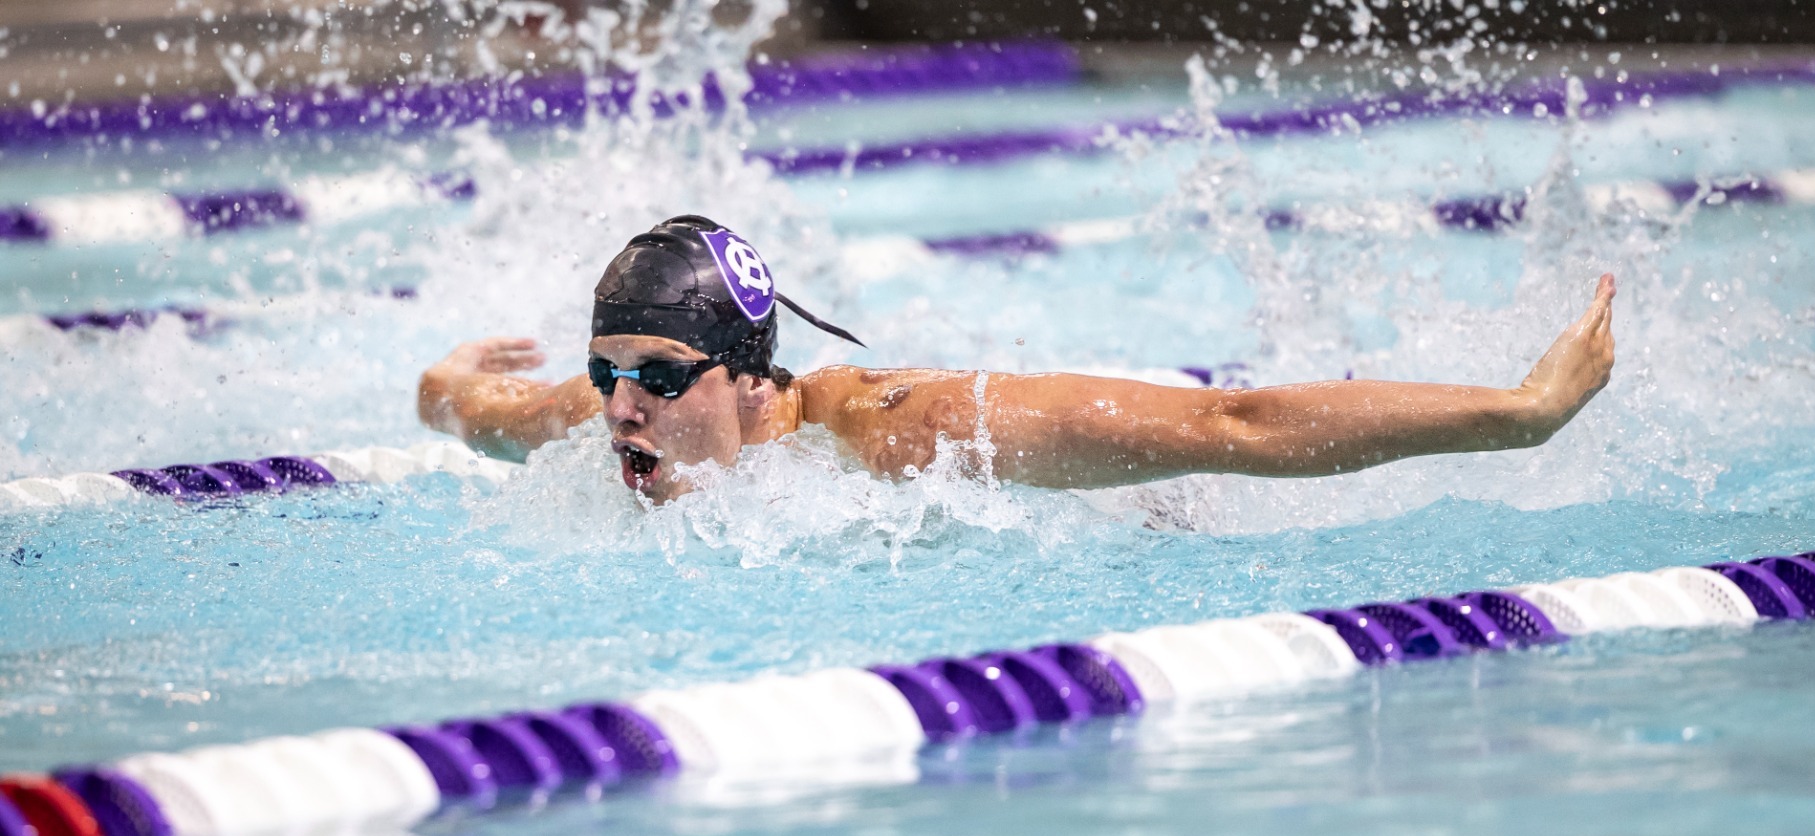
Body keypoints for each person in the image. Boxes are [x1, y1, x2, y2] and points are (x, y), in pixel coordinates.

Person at [418, 215, 1617, 502]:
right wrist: (450, 379)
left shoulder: (894, 430)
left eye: (662, 375)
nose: (624, 407)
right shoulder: (605, 412)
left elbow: (1230, 429)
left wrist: (1516, 411)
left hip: (1140, 499)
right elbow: (463, 405)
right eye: (607, 369)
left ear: (747, 374)